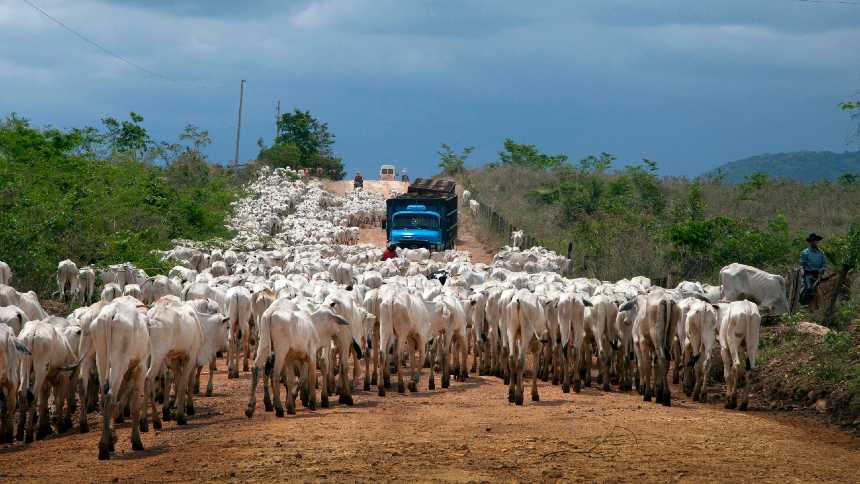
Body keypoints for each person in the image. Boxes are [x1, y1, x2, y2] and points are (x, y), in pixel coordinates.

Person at [799, 233, 826, 305]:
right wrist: (802, 271)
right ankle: (803, 304)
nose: (815, 242)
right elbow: (802, 265)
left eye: (816, 241)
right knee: (809, 288)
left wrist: (822, 269)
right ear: (810, 242)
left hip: (819, 274)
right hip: (808, 274)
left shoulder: (821, 253)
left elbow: (824, 264)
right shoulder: (805, 253)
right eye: (813, 241)